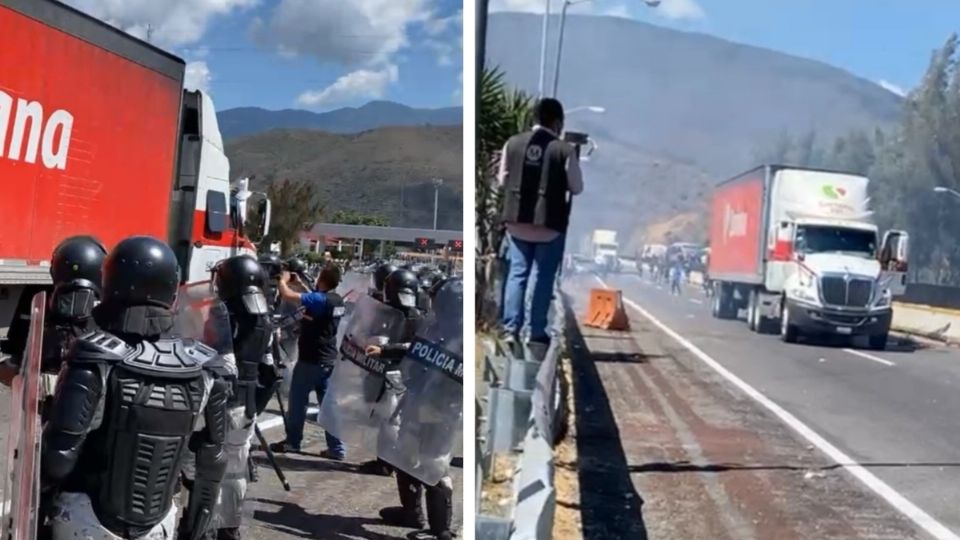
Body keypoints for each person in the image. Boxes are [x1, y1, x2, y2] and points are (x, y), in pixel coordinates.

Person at [40, 236, 231, 540]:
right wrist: (196, 527)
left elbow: (57, 458)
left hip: (86, 520)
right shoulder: (206, 368)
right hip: (159, 525)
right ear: (171, 289)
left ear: (110, 281)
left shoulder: (95, 357)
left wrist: (38, 512)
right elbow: (212, 463)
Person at [498, 98, 582, 357]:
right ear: (557, 123)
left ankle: (510, 330)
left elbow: (502, 181)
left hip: (516, 224)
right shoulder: (564, 150)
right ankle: (536, 334)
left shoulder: (512, 143)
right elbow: (576, 187)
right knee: (542, 278)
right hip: (549, 226)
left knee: (517, 275)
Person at [378, 278, 459, 540]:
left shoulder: (463, 336)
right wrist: (385, 350)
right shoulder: (434, 327)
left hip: (443, 410)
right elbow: (415, 350)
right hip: (419, 400)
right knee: (405, 455)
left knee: (434, 465)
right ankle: (411, 512)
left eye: (436, 299)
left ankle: (441, 529)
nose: (431, 302)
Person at [209, 255, 274, 540]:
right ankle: (230, 528)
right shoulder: (266, 322)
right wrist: (254, 409)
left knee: (205, 467)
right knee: (235, 470)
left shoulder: (222, 315)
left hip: (218, 403)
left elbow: (213, 362)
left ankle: (202, 525)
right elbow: (271, 374)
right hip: (246, 405)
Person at [269, 263, 347, 459]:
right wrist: (302, 285)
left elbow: (288, 296)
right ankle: (337, 448)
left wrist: (283, 281)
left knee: (297, 402)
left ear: (322, 279)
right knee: (329, 408)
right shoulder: (336, 300)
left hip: (311, 360)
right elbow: (313, 299)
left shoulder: (320, 300)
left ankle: (293, 442)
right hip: (328, 359)